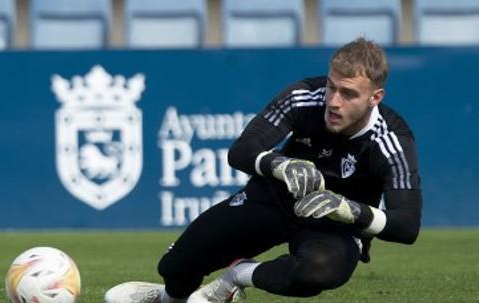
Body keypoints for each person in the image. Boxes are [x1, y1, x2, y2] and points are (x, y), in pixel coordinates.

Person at [105, 38, 422, 302]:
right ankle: (166, 298)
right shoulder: (303, 96)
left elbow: (407, 225)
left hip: (333, 226)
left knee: (318, 273)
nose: (334, 102)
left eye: (349, 94)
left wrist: (347, 210)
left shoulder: (391, 139)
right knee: (176, 266)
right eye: (332, 87)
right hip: (273, 200)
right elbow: (242, 150)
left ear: (374, 98)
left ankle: (238, 275)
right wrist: (279, 164)